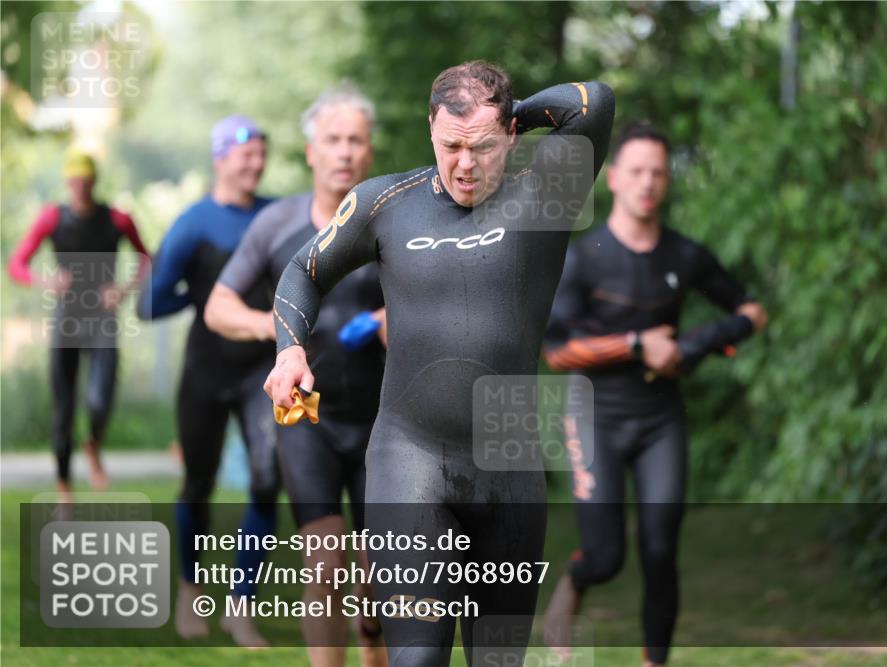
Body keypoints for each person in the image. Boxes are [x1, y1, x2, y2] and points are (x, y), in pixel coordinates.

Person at [263, 61, 614, 666]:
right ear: (431, 131)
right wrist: (290, 347)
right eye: (451, 145)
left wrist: (507, 114)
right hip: (411, 459)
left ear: (509, 136)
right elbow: (304, 270)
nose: (465, 165)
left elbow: (595, 102)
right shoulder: (385, 203)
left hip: (510, 465)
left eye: (482, 147)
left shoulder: (547, 195)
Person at [541, 122, 768, 666]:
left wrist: (692, 349)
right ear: (614, 178)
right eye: (637, 171)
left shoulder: (685, 256)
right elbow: (556, 351)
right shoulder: (584, 256)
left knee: (661, 549)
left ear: (667, 182)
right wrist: (636, 343)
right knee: (607, 557)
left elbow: (751, 311)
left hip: (661, 419)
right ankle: (575, 581)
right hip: (595, 416)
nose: (647, 182)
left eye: (658, 173)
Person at [204, 84, 387, 667]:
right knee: (326, 562)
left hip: (384, 419)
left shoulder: (392, 223)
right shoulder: (276, 225)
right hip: (305, 414)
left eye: (355, 140)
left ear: (370, 151)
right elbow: (217, 307)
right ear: (311, 151)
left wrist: (390, 318)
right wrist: (283, 334)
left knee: (379, 580)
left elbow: (441, 298)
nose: (344, 151)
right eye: (332, 139)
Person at [138, 115, 279, 647]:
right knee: (198, 483)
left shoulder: (274, 214)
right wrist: (201, 298)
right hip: (204, 372)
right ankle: (190, 594)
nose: (256, 164)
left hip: (260, 371)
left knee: (267, 481)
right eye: (247, 155)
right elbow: (150, 302)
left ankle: (240, 607)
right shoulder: (194, 221)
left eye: (262, 155)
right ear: (220, 158)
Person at [8, 149, 149, 503]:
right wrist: (45, 281)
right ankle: (64, 490)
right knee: (64, 407)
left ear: (94, 182)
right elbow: (17, 264)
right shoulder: (52, 218)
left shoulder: (117, 219)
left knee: (100, 400)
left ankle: (94, 445)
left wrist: (123, 289)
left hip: (102, 319)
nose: (80, 189)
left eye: (86, 182)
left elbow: (147, 258)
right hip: (67, 319)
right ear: (67, 183)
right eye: (74, 183)